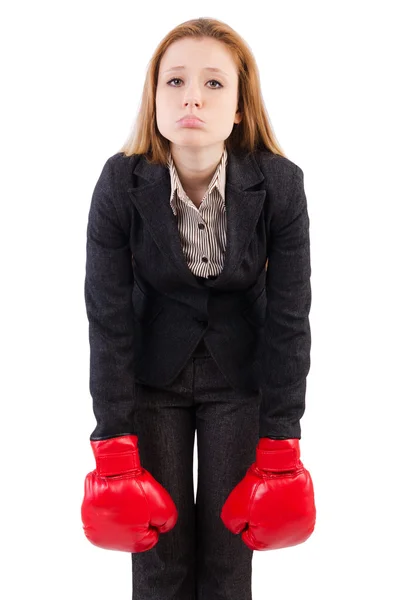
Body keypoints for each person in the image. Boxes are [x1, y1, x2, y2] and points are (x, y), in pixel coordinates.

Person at [81, 16, 316, 600]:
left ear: (240, 107)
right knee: (158, 557)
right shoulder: (119, 183)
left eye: (214, 84)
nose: (192, 95)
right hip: (151, 378)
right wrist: (112, 442)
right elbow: (106, 318)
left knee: (228, 553)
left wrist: (282, 439)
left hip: (239, 379)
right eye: (175, 81)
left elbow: (291, 316)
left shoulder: (281, 186)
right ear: (154, 98)